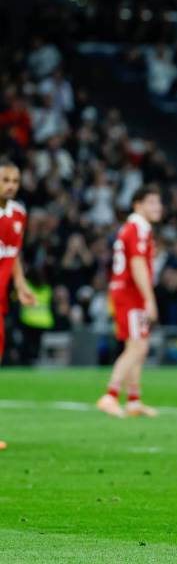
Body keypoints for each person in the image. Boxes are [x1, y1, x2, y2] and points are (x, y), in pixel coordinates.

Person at [96, 186, 163, 418]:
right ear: (138, 205)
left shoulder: (133, 227)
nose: (158, 207)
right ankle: (110, 395)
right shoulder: (138, 228)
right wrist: (149, 298)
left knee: (136, 347)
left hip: (123, 291)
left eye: (159, 203)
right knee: (138, 346)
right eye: (152, 202)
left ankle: (133, 400)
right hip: (129, 293)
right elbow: (137, 264)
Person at [0, 162, 36, 451]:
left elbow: (14, 254)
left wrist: (21, 285)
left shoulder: (19, 213)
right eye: (5, 180)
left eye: (15, 180)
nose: (10, 185)